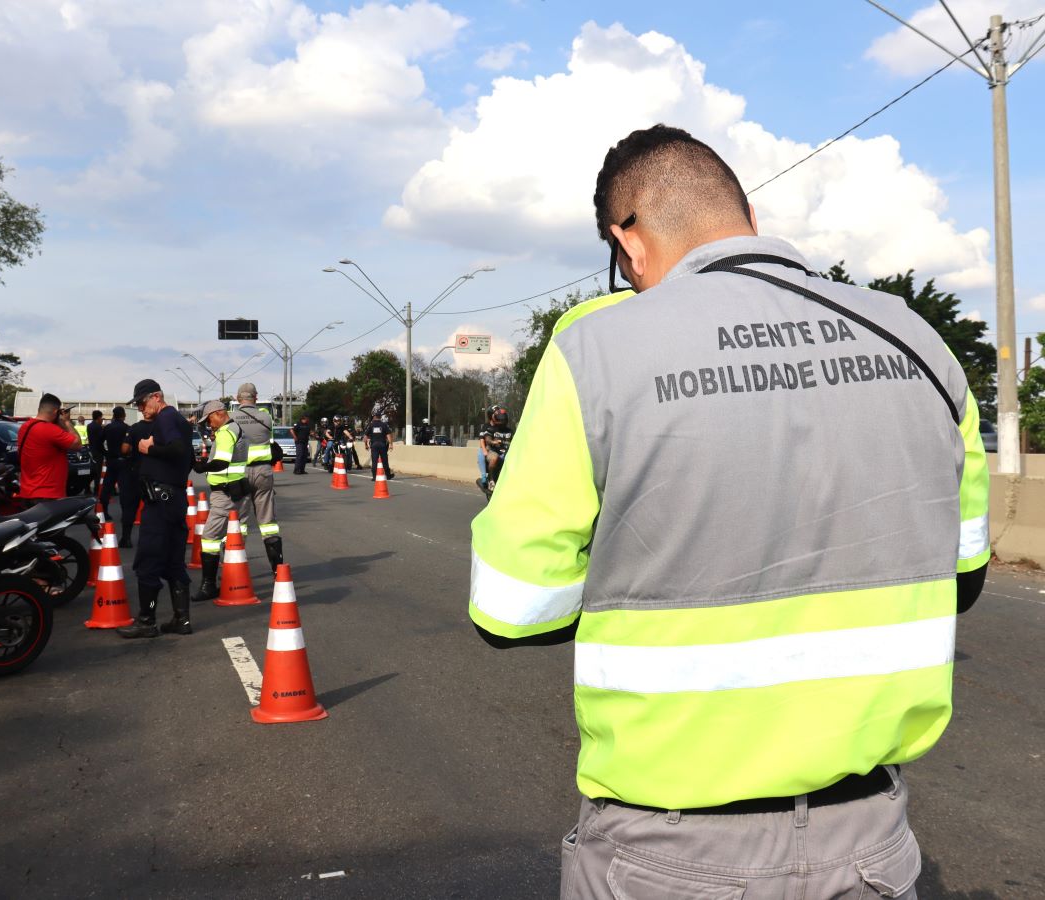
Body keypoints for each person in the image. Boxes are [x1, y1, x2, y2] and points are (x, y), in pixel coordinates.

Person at [469, 124, 990, 899]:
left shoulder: (597, 351)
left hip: (669, 854)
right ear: (741, 211)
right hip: (870, 845)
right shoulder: (916, 341)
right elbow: (965, 575)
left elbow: (511, 610)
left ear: (627, 243)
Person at [119, 379, 194, 638]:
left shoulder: (166, 418)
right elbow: (188, 455)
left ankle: (147, 618)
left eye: (142, 402)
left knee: (149, 561)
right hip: (174, 499)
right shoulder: (176, 420)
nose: (140, 408)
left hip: (161, 501)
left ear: (157, 396)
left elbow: (177, 448)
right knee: (173, 560)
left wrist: (151, 448)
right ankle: (181, 620)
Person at [189, 400, 249, 601]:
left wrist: (201, 467)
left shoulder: (225, 432)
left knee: (209, 537)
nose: (209, 424)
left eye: (209, 420)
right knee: (231, 536)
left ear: (218, 413)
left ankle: (208, 585)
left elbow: (222, 461)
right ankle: (230, 578)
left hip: (225, 494)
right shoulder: (235, 428)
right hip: (236, 491)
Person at [227, 383, 284, 575]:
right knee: (268, 521)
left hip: (239, 473)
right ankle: (277, 569)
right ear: (256, 397)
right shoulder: (265, 417)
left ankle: (236, 570)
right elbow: (269, 438)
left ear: (237, 397)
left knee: (239, 521)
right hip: (263, 471)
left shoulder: (231, 418)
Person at [16, 394, 81, 502]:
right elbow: (77, 444)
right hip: (48, 496)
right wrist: (66, 421)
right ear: (56, 412)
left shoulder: (25, 427)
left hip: (28, 493)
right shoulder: (50, 430)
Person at [117, 409, 153, 549]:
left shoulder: (134, 428)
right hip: (153, 473)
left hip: (133, 471)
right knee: (152, 507)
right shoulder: (159, 427)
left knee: (129, 507)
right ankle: (149, 539)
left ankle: (126, 538)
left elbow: (125, 449)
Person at [475, 405, 513, 494]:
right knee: (493, 457)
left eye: (503, 419)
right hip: (494, 451)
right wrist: (492, 442)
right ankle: (490, 480)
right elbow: (486, 438)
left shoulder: (510, 431)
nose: (502, 421)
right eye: (500, 419)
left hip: (506, 453)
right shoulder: (489, 428)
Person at [100, 406, 128, 519]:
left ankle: (104, 512)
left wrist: (106, 453)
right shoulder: (127, 428)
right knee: (125, 489)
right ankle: (125, 513)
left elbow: (98, 443)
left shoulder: (108, 428)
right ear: (123, 415)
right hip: (124, 461)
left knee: (107, 488)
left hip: (111, 461)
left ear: (114, 415)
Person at [364, 412, 394, 481]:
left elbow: (365, 437)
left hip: (374, 445)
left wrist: (365, 445)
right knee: (385, 460)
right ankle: (388, 475)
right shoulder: (384, 425)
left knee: (374, 461)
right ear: (380, 417)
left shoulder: (371, 425)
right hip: (382, 445)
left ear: (374, 417)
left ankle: (374, 477)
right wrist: (391, 444)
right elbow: (388, 435)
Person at [86, 410, 105, 495]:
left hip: (91, 450)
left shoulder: (89, 426)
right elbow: (100, 440)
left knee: (91, 471)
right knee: (98, 472)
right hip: (98, 452)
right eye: (101, 418)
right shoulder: (98, 427)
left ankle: (87, 488)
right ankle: (96, 489)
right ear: (98, 418)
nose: (102, 419)